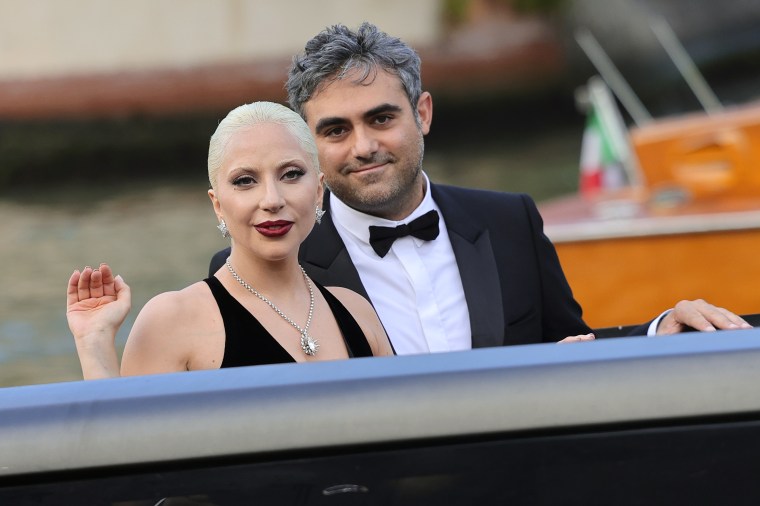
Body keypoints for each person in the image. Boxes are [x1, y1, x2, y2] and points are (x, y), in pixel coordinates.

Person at [210, 23, 751, 353]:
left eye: (380, 119)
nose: (363, 146)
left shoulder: (510, 220)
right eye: (335, 130)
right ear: (310, 144)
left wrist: (661, 331)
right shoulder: (261, 263)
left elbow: (569, 349)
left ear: (422, 113)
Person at [67, 101, 394, 380]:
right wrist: (94, 343)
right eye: (245, 181)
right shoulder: (171, 320)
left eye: (291, 174)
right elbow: (127, 446)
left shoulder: (358, 312)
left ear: (319, 191)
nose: (272, 199)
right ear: (218, 205)